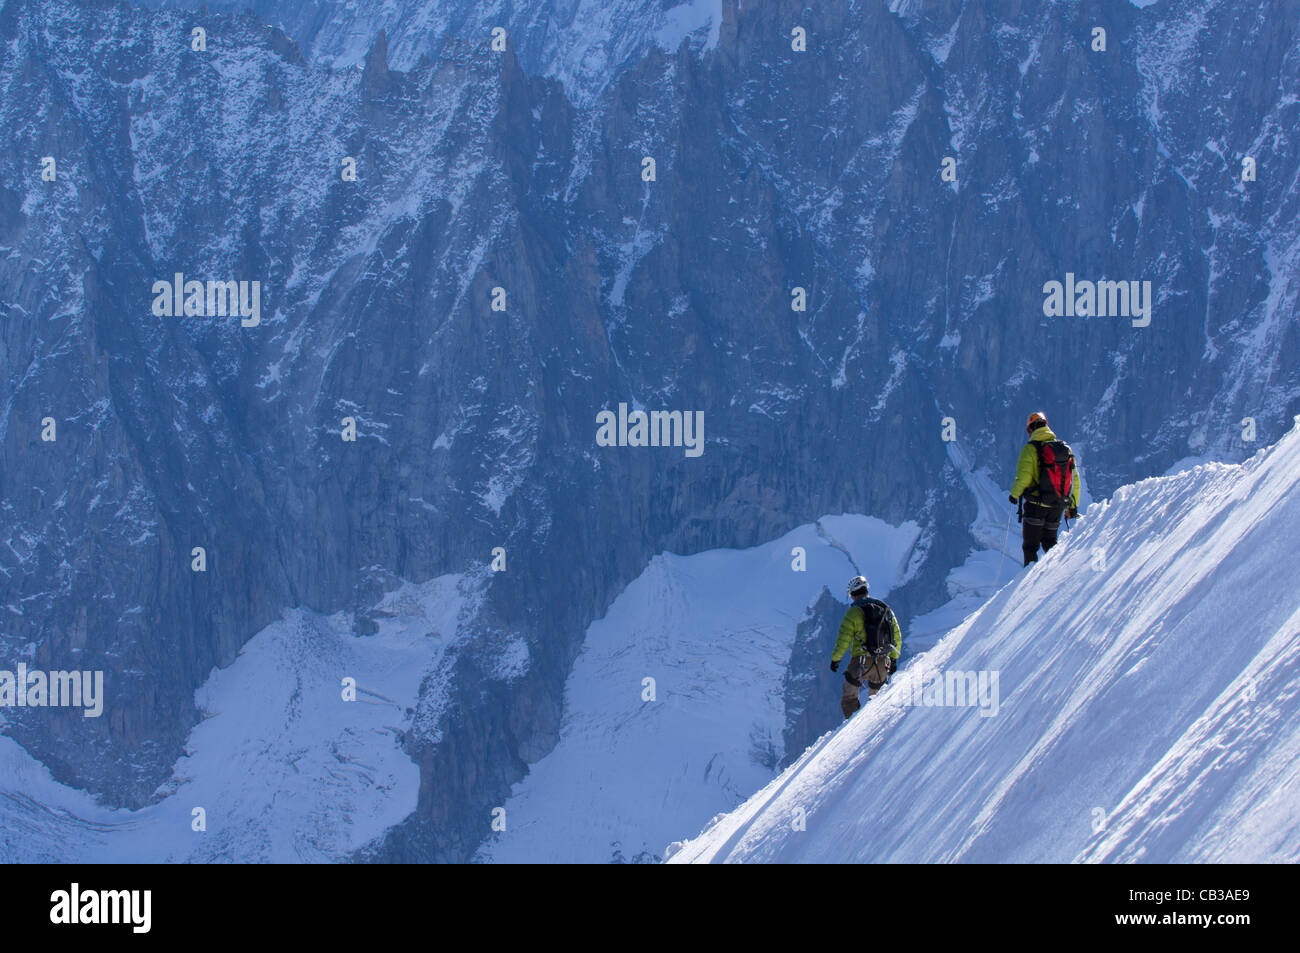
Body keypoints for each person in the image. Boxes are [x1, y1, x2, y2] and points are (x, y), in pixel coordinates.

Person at [1009, 411, 1081, 566]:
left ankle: (1029, 586)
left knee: (1030, 547)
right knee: (1050, 544)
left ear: (1030, 430)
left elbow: (1024, 477)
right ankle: (1056, 575)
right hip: (1057, 506)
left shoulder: (1030, 449)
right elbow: (1075, 480)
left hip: (1036, 506)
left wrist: (1014, 495)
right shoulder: (1065, 449)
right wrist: (1073, 506)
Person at [829, 575, 902, 719]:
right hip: (883, 661)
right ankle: (875, 726)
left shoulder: (853, 613)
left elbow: (844, 639)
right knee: (878, 698)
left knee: (849, 696)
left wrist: (835, 660)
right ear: (866, 590)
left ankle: (852, 727)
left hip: (861, 663)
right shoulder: (886, 609)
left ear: (852, 594)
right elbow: (897, 636)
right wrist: (893, 659)